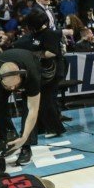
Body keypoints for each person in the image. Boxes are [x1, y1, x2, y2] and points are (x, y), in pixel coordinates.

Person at [0, 48, 43, 166]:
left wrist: (25, 136)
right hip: (3, 74)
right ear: (0, 78)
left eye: (15, 85)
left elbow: (33, 109)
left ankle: (26, 147)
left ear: (20, 76)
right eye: (9, 87)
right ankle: (7, 138)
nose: (13, 89)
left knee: (27, 109)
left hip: (29, 60)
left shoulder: (31, 74)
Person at [13, 10, 66, 138]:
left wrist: (35, 54)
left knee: (46, 100)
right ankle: (41, 128)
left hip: (52, 72)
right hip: (39, 71)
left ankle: (55, 129)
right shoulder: (33, 35)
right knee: (37, 100)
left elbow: (51, 53)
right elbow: (21, 44)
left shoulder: (49, 34)